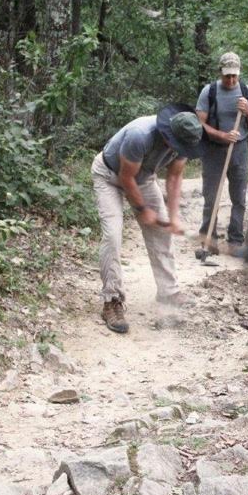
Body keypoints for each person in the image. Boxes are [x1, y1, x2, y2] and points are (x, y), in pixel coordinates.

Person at [91, 104, 204, 334]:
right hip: (110, 175)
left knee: (162, 233)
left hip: (143, 178)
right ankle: (111, 300)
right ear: (168, 134)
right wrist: (143, 209)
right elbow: (126, 176)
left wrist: (172, 217)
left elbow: (174, 176)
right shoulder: (140, 135)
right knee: (113, 236)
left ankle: (168, 291)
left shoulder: (186, 138)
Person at [196, 52, 248, 256]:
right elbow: (198, 124)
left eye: (234, 76)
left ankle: (235, 240)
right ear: (220, 72)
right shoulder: (209, 91)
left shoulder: (246, 91)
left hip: (239, 149)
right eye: (227, 76)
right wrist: (222, 135)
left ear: (239, 73)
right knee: (211, 197)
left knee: (239, 198)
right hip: (213, 150)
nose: (231, 80)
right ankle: (209, 240)